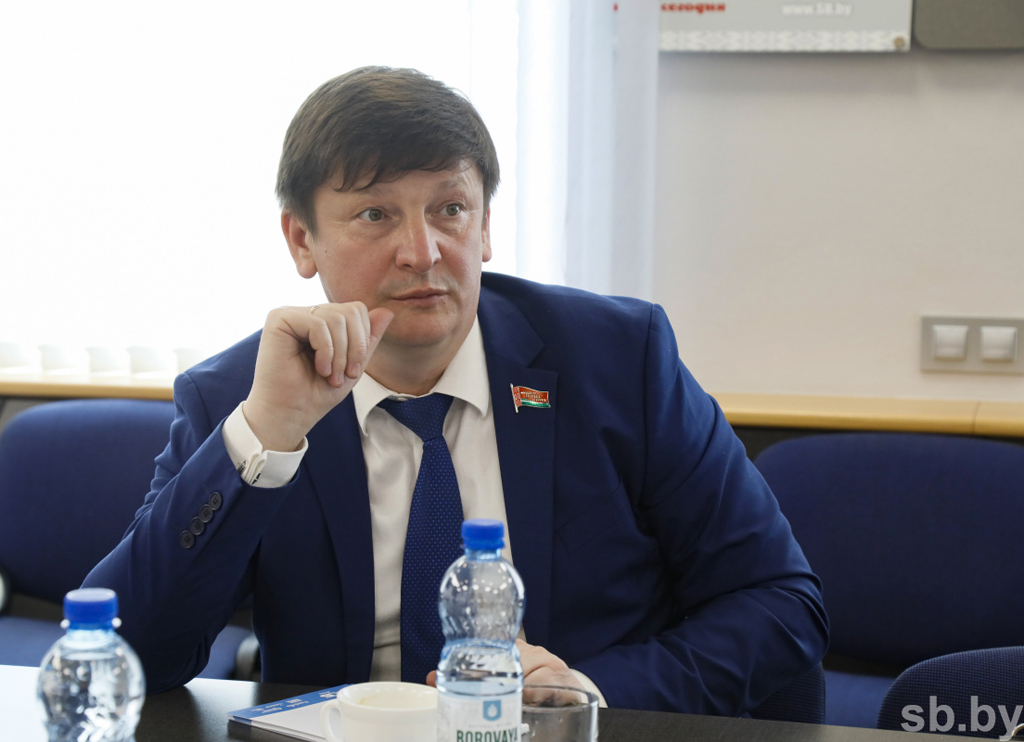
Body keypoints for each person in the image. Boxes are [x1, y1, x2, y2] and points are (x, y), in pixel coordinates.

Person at [84, 66, 827, 714]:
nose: (422, 252)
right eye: (375, 214)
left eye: (450, 209)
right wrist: (266, 435)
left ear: (486, 226)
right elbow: (126, 657)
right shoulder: (241, 396)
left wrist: (586, 694)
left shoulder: (617, 359)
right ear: (301, 240)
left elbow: (780, 604)